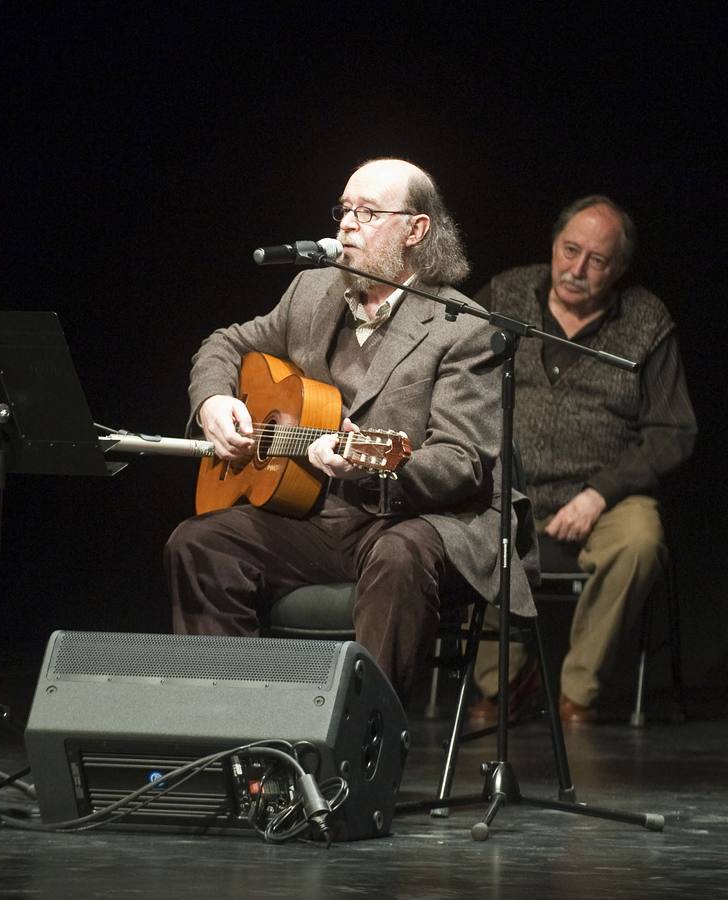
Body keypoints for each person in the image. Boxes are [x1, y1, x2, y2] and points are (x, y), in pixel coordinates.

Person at [164, 157, 535, 698]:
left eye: (367, 212)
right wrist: (215, 401)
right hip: (317, 516)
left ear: (416, 230)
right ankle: (236, 738)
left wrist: (366, 460)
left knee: (399, 556)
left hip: (412, 519)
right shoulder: (310, 292)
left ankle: (360, 751)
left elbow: (460, 463)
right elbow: (227, 343)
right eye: (344, 209)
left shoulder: (464, 329)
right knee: (198, 544)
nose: (346, 224)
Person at [466, 195, 697, 724]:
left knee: (640, 540)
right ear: (553, 245)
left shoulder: (646, 320)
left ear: (619, 268)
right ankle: (503, 684)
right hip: (508, 487)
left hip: (604, 496)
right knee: (463, 523)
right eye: (570, 250)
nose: (577, 269)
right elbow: (456, 382)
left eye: (597, 260)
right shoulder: (504, 295)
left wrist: (599, 494)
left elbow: (674, 431)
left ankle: (578, 690)